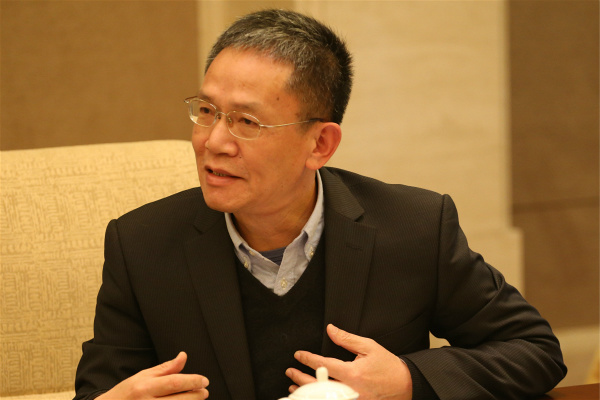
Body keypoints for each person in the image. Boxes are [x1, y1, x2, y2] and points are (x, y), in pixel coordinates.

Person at [74, 8, 566, 400]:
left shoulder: (414, 227)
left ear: (320, 144)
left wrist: (407, 380)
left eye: (246, 122)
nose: (213, 141)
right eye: (206, 111)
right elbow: (98, 390)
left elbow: (534, 350)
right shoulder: (142, 245)